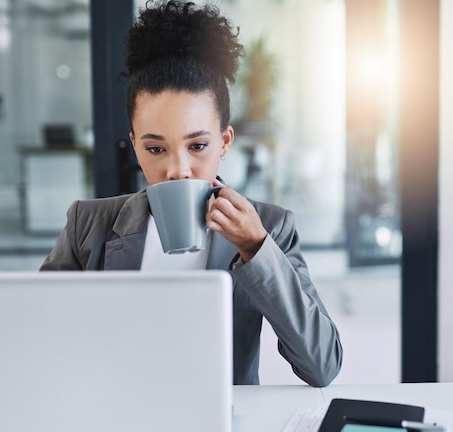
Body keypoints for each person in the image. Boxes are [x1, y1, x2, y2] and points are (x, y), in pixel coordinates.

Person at [40, 0, 342, 387]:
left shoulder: (270, 228)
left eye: (197, 146)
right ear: (134, 146)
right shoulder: (88, 226)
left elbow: (322, 365)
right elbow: (40, 335)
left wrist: (256, 247)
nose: (177, 169)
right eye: (155, 148)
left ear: (225, 141)